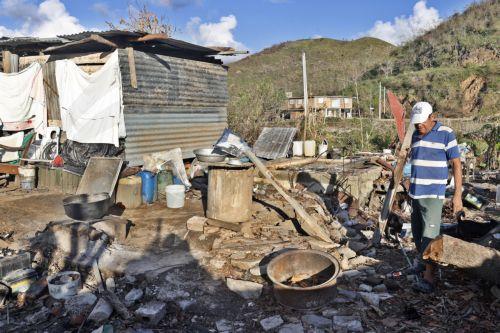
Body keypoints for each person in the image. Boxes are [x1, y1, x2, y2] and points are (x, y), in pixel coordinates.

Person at [408, 101, 462, 293]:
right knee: (417, 232)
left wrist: (457, 195)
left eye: (422, 122)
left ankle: (429, 278)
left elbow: (456, 164)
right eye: (416, 123)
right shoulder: (415, 134)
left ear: (432, 118)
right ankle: (422, 263)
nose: (419, 126)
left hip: (432, 193)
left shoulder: (446, 133)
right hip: (415, 192)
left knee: (430, 235)